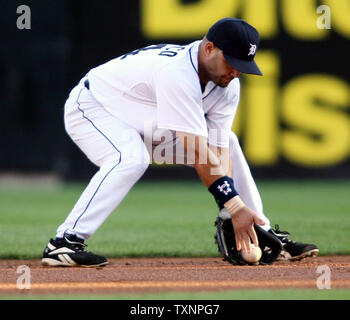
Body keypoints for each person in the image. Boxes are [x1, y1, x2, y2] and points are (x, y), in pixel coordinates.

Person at [42, 18, 318, 267]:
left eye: (242, 66)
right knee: (130, 157)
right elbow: (198, 152)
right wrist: (233, 205)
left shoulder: (227, 84)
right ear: (209, 48)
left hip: (139, 116)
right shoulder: (177, 73)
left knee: (230, 142)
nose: (236, 71)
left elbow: (218, 149)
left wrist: (228, 210)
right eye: (232, 61)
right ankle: (64, 242)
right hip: (92, 108)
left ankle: (260, 232)